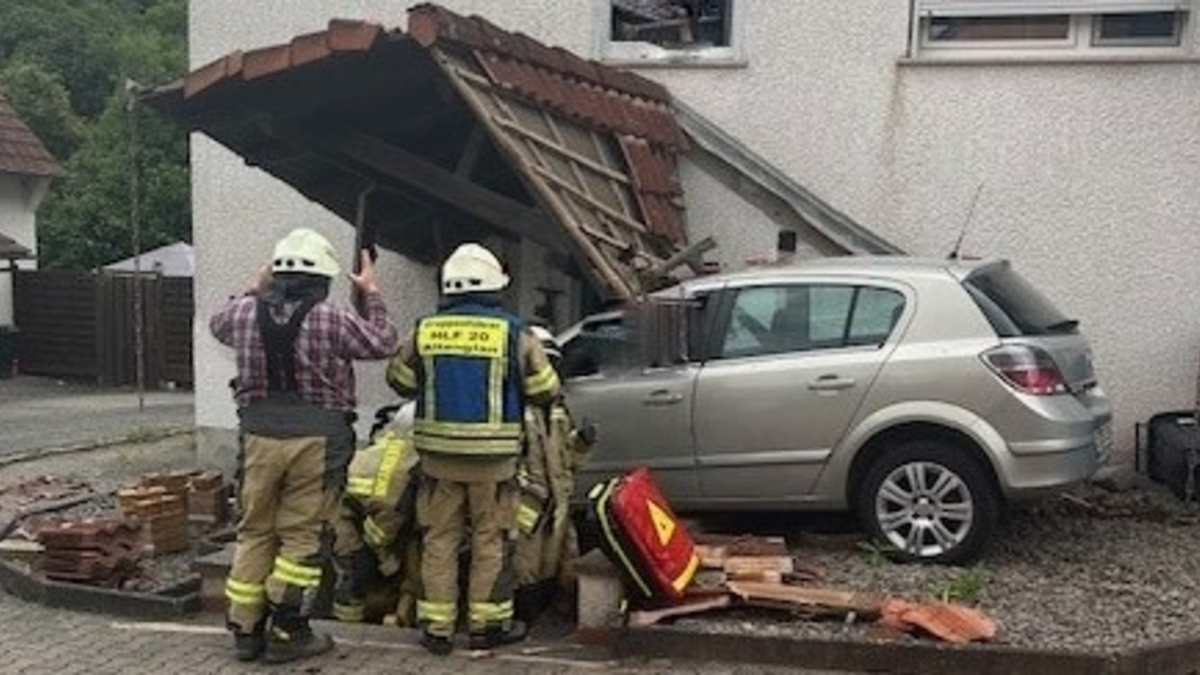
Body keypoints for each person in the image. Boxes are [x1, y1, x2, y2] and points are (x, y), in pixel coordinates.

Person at [210, 227, 398, 664]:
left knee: (255, 529)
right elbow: (384, 342)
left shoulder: (242, 313)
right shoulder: (332, 318)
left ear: (276, 273)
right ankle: (288, 631)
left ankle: (245, 628)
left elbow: (218, 323)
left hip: (257, 436)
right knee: (302, 533)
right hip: (317, 440)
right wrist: (371, 292)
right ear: (323, 278)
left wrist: (254, 287)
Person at [386, 242, 560, 656]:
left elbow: (400, 381)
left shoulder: (425, 330)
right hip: (495, 465)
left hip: (437, 463)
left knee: (439, 540)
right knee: (491, 541)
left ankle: (437, 629)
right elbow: (545, 390)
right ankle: (487, 627)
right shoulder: (514, 333)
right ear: (494, 287)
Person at [513, 325, 596, 621]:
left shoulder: (558, 409)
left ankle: (549, 616)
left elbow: (569, 460)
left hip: (557, 506)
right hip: (526, 509)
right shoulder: (513, 410)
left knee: (562, 564)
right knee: (525, 568)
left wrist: (583, 442)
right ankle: (524, 619)